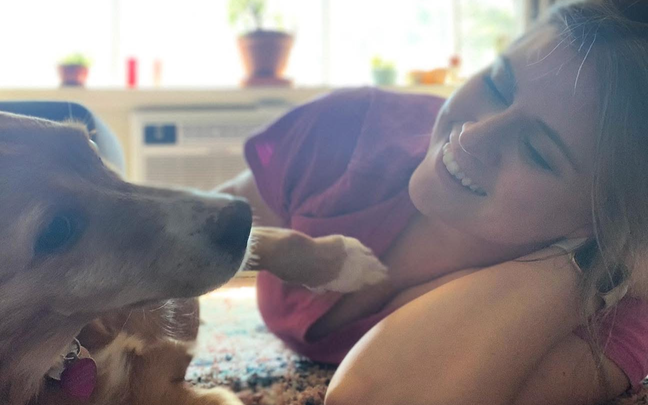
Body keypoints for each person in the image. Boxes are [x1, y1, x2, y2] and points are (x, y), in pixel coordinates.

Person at [217, 0, 648, 403]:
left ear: (603, 215)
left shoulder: (614, 312)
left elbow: (372, 397)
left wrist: (593, 265)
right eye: (498, 84)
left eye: (536, 151)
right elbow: (196, 228)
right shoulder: (351, 130)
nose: (472, 136)